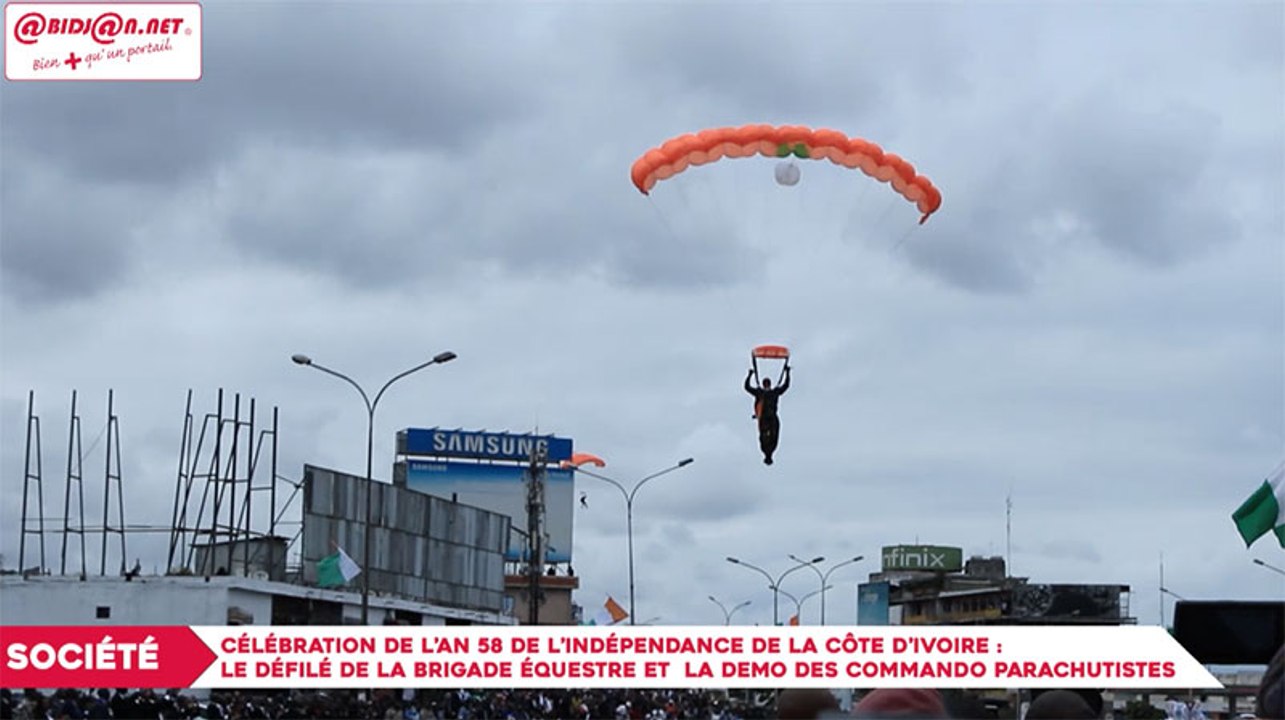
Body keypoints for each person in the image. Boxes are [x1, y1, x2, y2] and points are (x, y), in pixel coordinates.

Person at [745, 364, 790, 464]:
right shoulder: (760, 392)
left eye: (767, 384)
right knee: (769, 434)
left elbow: (786, 386)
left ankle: (768, 434)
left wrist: (787, 372)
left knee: (770, 433)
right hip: (766, 419)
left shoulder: (773, 392)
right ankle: (768, 434)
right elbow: (747, 387)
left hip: (771, 418)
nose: (766, 385)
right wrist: (749, 375)